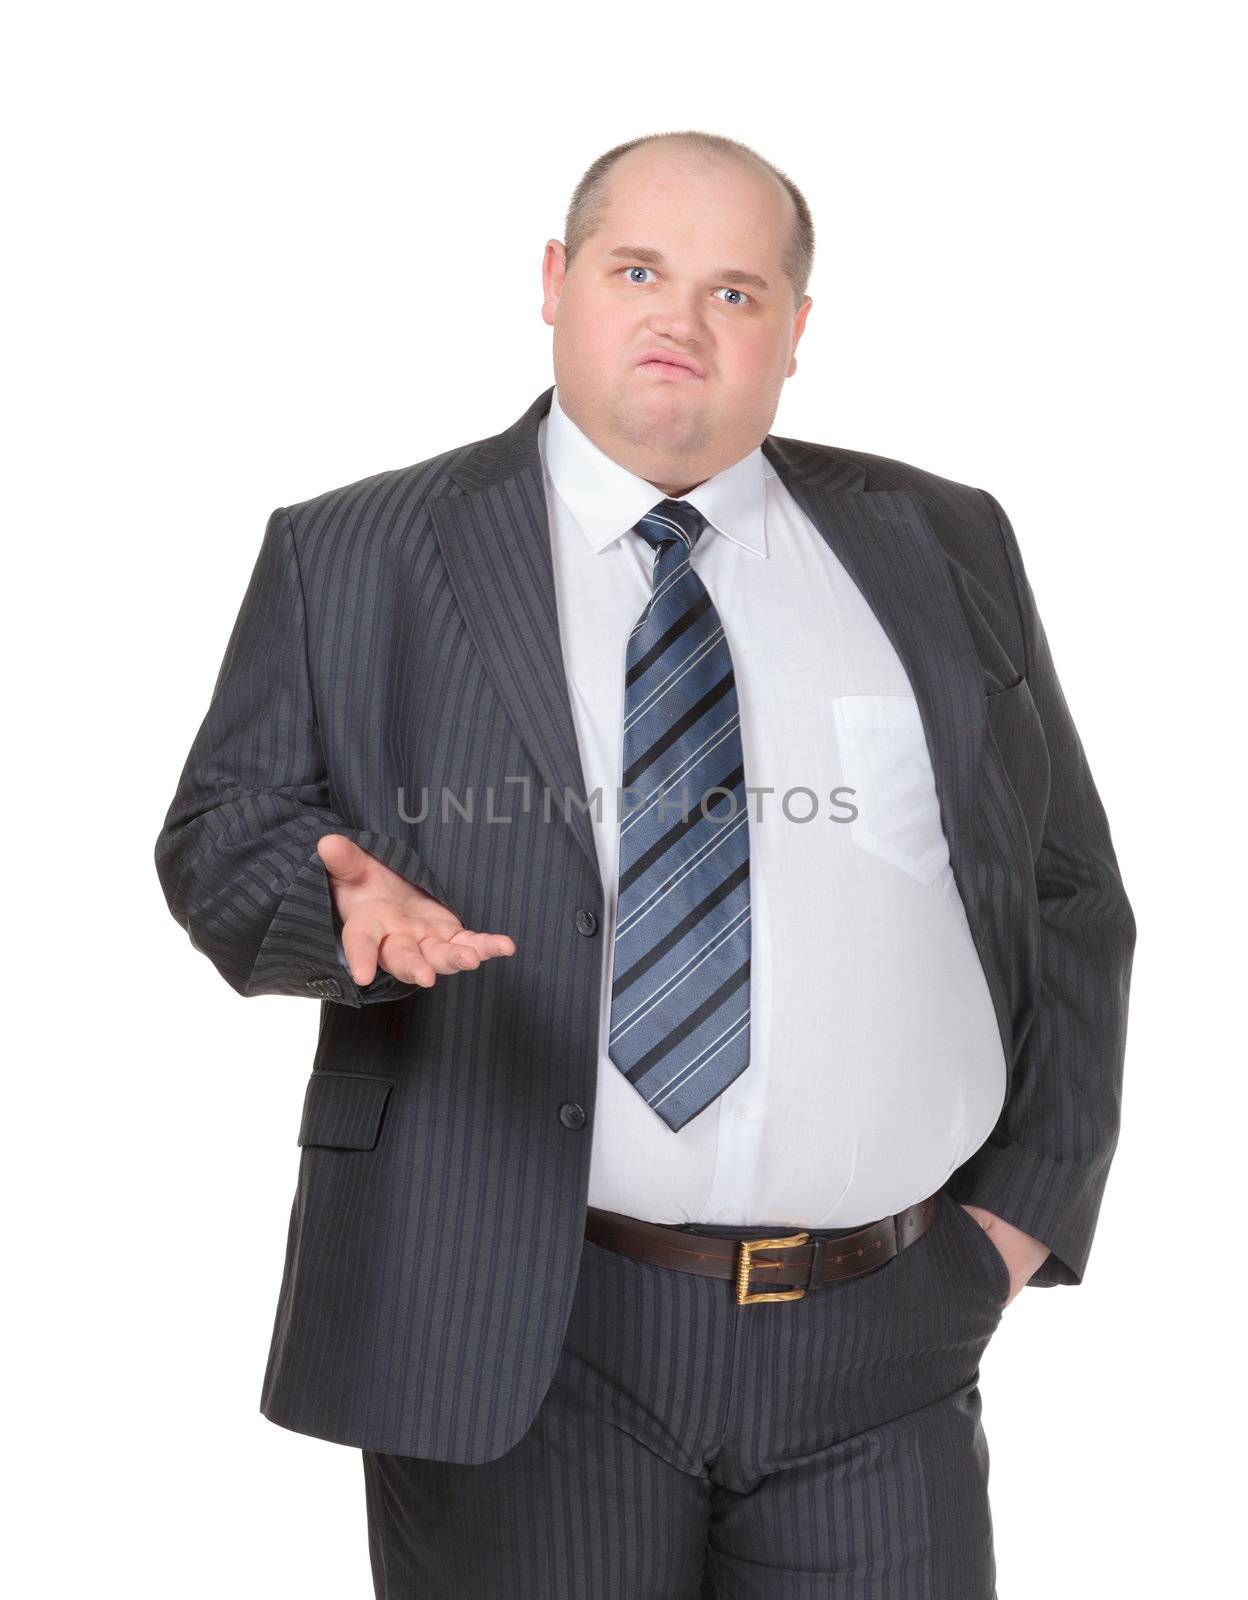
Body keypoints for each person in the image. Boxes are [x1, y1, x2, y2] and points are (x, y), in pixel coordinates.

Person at [155, 129, 1136, 1598]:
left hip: (884, 1331)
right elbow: (221, 831)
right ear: (556, 286)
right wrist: (330, 899)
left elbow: (1063, 887)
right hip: (522, 1327)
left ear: (795, 336)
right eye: (639, 271)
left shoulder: (939, 539)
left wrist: (1021, 1216)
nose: (683, 320)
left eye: (738, 292)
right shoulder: (355, 549)